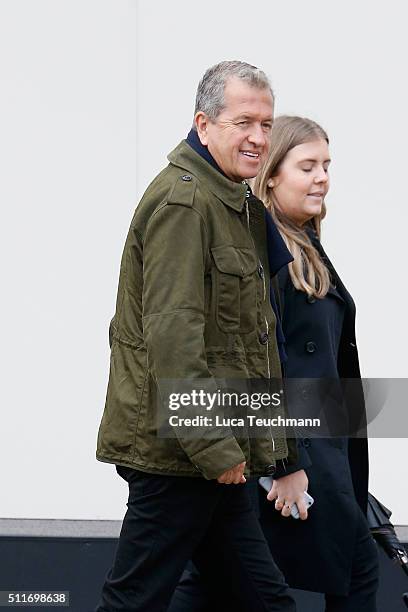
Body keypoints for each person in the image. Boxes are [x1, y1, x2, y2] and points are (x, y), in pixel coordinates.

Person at [95, 62, 301, 612]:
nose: (259, 137)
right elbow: (175, 336)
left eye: (266, 123)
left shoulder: (230, 202)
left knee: (263, 599)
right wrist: (213, 445)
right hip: (182, 456)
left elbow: (244, 340)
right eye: (244, 123)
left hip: (214, 453)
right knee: (135, 600)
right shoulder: (185, 204)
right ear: (203, 124)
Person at [253, 115, 379, 610]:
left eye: (326, 165)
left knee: (354, 572)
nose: (323, 177)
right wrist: (287, 464)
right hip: (295, 455)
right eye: (307, 166)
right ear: (271, 174)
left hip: (324, 450)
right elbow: (265, 366)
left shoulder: (305, 245)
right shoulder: (268, 255)